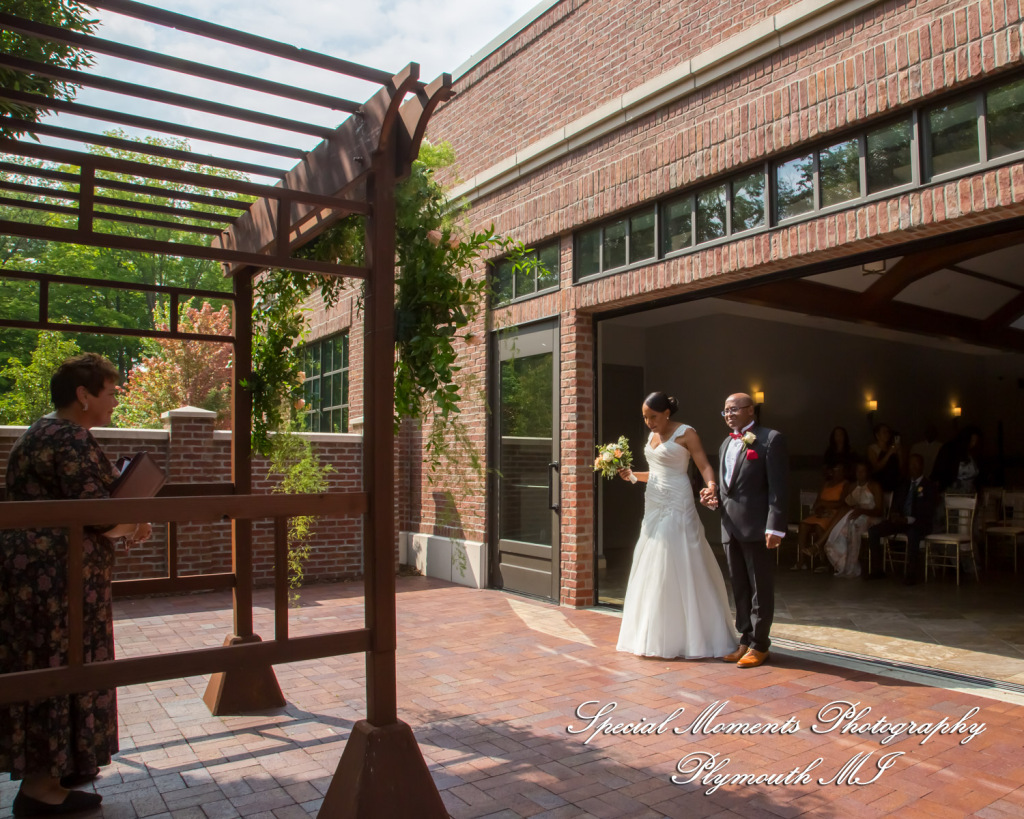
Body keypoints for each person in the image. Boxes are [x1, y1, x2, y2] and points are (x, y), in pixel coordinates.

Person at [1, 353, 153, 817]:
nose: (114, 402)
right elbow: (98, 516)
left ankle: (55, 770)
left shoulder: (36, 434)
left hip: (36, 581)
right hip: (61, 587)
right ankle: (41, 788)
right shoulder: (71, 440)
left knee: (45, 664)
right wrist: (133, 522)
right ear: (83, 395)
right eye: (109, 393)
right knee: (62, 664)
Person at [615, 392, 736, 660]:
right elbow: (656, 473)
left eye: (653, 417)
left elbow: (704, 465)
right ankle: (655, 633)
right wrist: (633, 475)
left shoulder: (686, 433)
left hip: (678, 501)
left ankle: (693, 635)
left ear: (666, 413)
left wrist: (711, 486)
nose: (649, 422)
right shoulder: (651, 437)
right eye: (645, 418)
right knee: (650, 559)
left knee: (675, 556)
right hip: (654, 503)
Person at [699, 393, 788, 669]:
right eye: (725, 410)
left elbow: (778, 488)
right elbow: (728, 488)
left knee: (760, 587)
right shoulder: (727, 442)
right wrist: (712, 500)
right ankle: (745, 639)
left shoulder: (770, 439)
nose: (728, 414)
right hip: (730, 526)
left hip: (757, 527)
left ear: (751, 410)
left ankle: (761, 644)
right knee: (739, 585)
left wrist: (775, 526)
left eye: (734, 409)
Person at [865, 453, 938, 585]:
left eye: (916, 464)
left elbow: (927, 511)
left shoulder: (929, 486)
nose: (913, 467)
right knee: (874, 531)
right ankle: (877, 570)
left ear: (922, 466)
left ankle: (911, 573)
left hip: (919, 522)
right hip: (900, 521)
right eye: (911, 464)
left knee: (913, 533)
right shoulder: (903, 484)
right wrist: (894, 514)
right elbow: (896, 504)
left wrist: (908, 519)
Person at [824, 460, 883, 578]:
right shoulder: (852, 487)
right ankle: (842, 564)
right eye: (858, 471)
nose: (860, 474)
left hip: (872, 517)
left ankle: (853, 567)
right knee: (843, 529)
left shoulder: (874, 486)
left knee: (854, 526)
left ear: (867, 472)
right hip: (856, 515)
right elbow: (845, 504)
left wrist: (862, 510)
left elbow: (879, 510)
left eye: (862, 471)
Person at [793, 466, 850, 572]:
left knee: (819, 526)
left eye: (840, 471)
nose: (837, 474)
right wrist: (819, 509)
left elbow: (841, 503)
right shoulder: (826, 484)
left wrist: (824, 503)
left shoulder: (845, 485)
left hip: (833, 514)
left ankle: (823, 561)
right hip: (821, 513)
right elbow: (816, 503)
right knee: (803, 525)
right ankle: (801, 560)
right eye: (835, 471)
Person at [932, 425, 982, 494]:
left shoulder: (972, 454)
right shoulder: (949, 450)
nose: (973, 444)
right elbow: (939, 472)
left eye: (976, 441)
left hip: (970, 493)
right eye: (972, 440)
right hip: (952, 493)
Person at [867, 423, 904, 493]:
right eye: (884, 432)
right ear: (877, 435)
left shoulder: (892, 447)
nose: (887, 434)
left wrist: (900, 453)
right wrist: (889, 453)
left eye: (888, 432)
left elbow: (900, 467)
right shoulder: (872, 448)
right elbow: (875, 468)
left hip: (894, 483)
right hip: (880, 484)